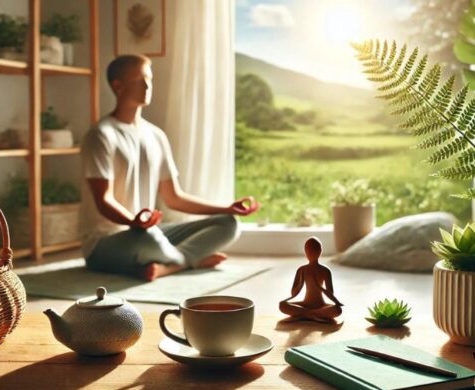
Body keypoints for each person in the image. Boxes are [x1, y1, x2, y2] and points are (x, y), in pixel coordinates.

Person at [80, 54, 260, 281]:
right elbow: (102, 199)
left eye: (149, 79)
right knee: (151, 239)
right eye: (139, 80)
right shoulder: (101, 135)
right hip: (105, 243)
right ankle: (190, 261)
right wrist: (132, 222)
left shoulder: (156, 135)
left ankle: (172, 263)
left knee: (228, 223)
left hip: (146, 231)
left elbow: (174, 197)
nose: (147, 86)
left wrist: (228, 208)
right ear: (118, 86)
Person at [279, 237, 343, 323]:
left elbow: (331, 293)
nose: (311, 253)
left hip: (321, 305)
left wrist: (319, 287)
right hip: (305, 304)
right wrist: (301, 279)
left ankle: (304, 315)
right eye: (308, 250)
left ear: (320, 251)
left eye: (314, 250)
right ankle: (314, 315)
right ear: (305, 251)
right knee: (282, 305)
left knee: (337, 310)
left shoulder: (325, 270)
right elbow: (293, 293)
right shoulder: (302, 269)